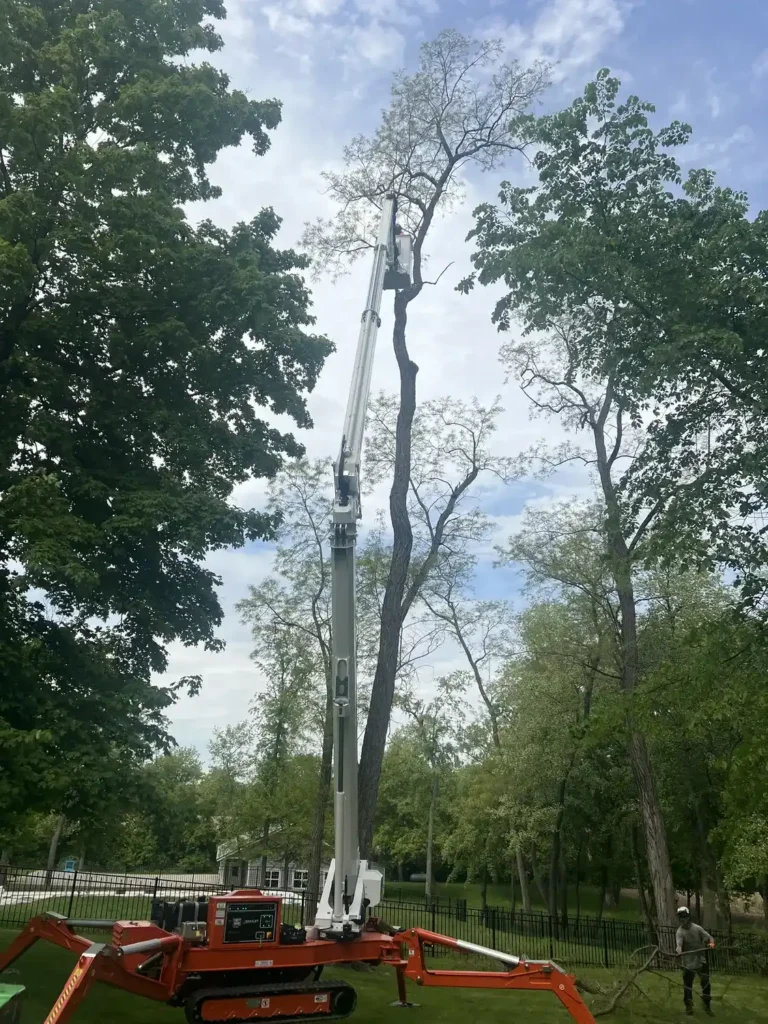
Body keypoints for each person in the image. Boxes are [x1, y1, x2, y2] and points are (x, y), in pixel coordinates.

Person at [676, 906, 715, 1016]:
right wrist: (678, 950)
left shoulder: (697, 928)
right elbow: (679, 944)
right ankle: (689, 1007)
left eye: (684, 916)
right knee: (688, 986)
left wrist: (711, 943)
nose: (682, 919)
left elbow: (710, 938)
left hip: (700, 960)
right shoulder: (680, 932)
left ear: (688, 917)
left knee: (706, 984)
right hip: (688, 962)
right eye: (680, 917)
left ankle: (707, 1006)